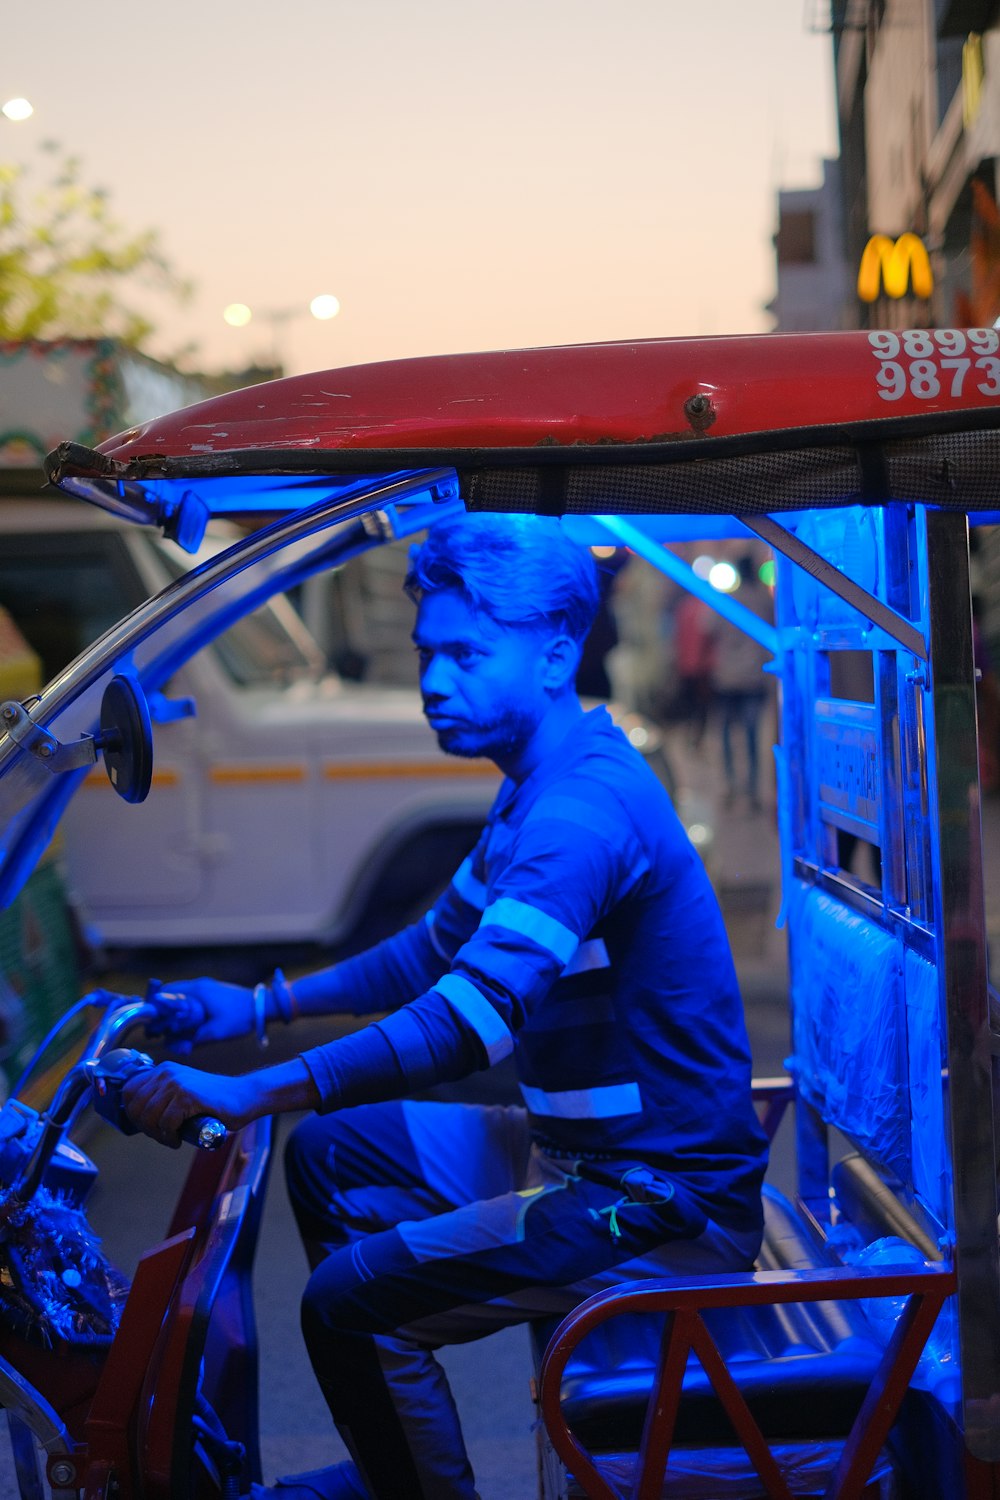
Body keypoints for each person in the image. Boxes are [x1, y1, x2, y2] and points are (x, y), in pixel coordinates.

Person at [123, 513, 769, 1500]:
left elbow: (471, 1019)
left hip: (655, 1199)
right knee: (333, 1157)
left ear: (555, 652)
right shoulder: (534, 785)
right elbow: (429, 952)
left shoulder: (577, 813)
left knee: (348, 1304)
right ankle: (408, 1462)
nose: (434, 680)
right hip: (574, 1153)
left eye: (468, 653)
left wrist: (255, 1090)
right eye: (430, 650)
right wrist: (255, 1003)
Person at [711, 556, 774, 811]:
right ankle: (751, 789)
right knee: (750, 735)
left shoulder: (727, 599)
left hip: (727, 676)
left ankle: (730, 784)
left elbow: (708, 629)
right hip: (753, 677)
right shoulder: (763, 600)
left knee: (726, 732)